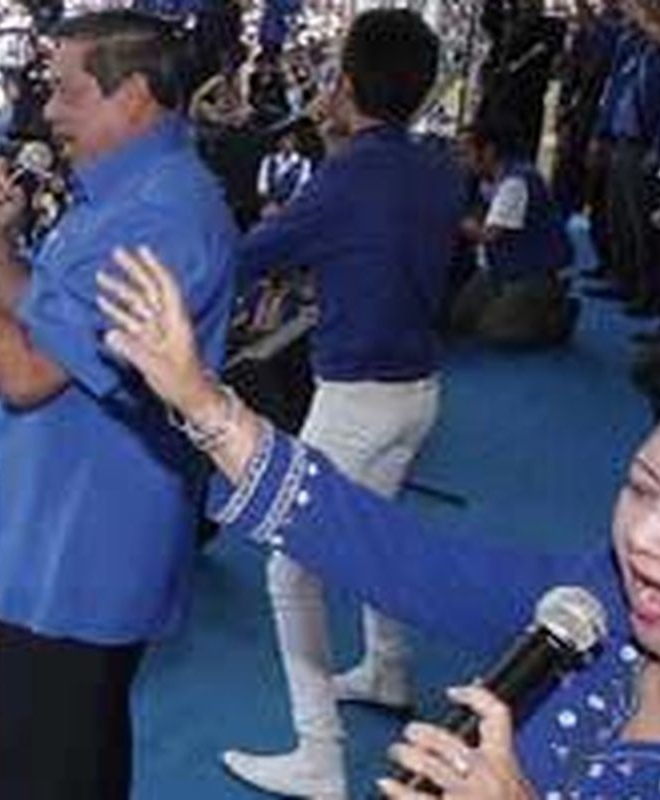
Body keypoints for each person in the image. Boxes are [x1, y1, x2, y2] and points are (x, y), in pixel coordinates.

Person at [97, 248, 660, 798]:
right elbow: (398, 557)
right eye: (640, 488)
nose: (643, 537)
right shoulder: (603, 607)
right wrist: (203, 402)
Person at [0, 11, 237, 800]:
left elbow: (27, 372)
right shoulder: (128, 192)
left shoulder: (158, 213)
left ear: (132, 94)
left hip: (77, 557)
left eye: (67, 92)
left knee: (45, 775)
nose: (49, 114)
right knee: (75, 766)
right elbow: (42, 318)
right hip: (59, 542)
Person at [215, 9, 466, 797]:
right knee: (377, 538)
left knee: (292, 571)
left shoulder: (348, 178)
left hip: (358, 398)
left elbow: (251, 257)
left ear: (344, 81)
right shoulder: (433, 164)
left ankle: (319, 755)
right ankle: (389, 671)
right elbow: (367, 227)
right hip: (418, 390)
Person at [451, 116, 577, 347]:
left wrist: (454, 218)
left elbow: (488, 235)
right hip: (498, 267)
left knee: (495, 332)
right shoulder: (486, 179)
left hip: (531, 270)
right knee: (459, 321)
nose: (461, 160)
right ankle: (517, 304)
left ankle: (558, 311)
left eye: (464, 152)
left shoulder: (516, 182)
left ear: (488, 151)